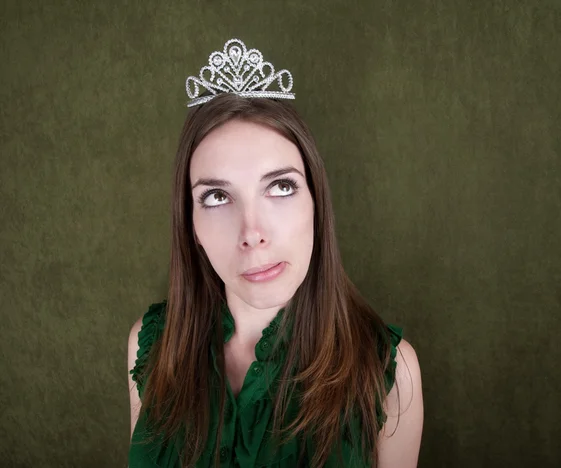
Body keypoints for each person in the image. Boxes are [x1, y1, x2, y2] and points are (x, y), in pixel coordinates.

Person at [127, 38, 423, 468]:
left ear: (315, 202)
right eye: (215, 196)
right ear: (190, 226)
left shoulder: (392, 374)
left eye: (280, 187)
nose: (253, 233)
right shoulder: (150, 347)